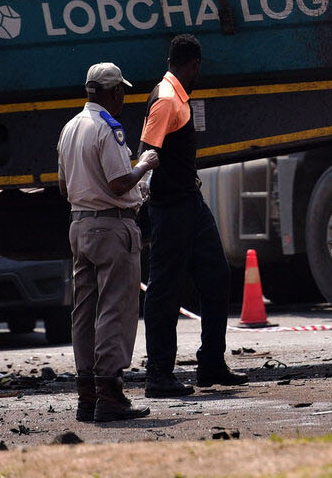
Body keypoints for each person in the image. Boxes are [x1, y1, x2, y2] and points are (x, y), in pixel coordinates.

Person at [140, 34, 248, 396]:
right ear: (194, 66)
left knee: (217, 277)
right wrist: (148, 204)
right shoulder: (167, 99)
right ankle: (158, 375)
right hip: (171, 209)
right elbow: (146, 155)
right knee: (164, 289)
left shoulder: (177, 96)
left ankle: (211, 364)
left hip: (191, 203)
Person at [57, 62, 160, 421]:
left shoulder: (70, 128)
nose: (124, 99)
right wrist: (144, 164)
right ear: (114, 92)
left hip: (79, 226)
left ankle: (87, 397)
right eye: (122, 93)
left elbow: (63, 187)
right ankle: (110, 396)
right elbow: (119, 183)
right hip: (113, 229)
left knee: (84, 312)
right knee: (115, 309)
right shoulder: (108, 129)